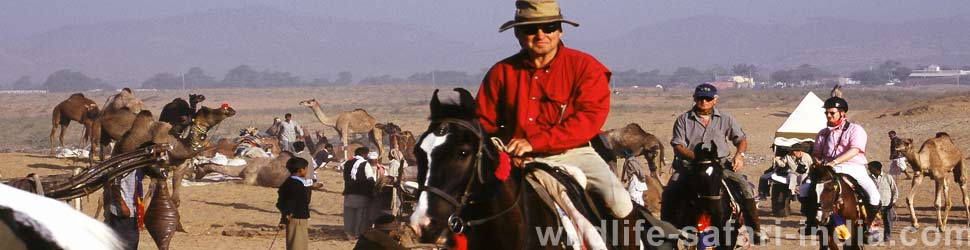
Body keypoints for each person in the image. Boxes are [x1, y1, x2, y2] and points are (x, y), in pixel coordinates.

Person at [476, 0, 632, 219]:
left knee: (620, 203)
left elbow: (587, 120)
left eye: (548, 27)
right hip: (514, 159)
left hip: (573, 153)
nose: (541, 35)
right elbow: (482, 122)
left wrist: (534, 142)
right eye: (530, 29)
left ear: (559, 30)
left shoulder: (585, 67)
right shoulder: (501, 72)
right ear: (518, 34)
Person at [664, 83, 765, 243]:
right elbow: (678, 145)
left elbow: (741, 139)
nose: (704, 101)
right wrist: (695, 157)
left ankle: (755, 230)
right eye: (700, 98)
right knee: (670, 189)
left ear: (715, 100)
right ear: (694, 99)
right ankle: (667, 232)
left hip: (720, 163)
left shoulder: (725, 118)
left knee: (744, 186)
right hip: (691, 164)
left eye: (708, 98)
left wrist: (739, 155)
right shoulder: (683, 119)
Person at [811, 96, 881, 239]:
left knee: (874, 195)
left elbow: (855, 150)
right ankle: (811, 222)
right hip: (828, 168)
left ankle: (869, 225)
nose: (828, 116)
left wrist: (835, 162)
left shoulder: (855, 129)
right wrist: (818, 162)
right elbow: (816, 153)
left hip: (853, 166)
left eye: (832, 113)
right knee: (806, 188)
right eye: (826, 113)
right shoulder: (822, 133)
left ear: (842, 113)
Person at [276, 158, 311, 250]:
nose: (307, 170)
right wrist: (285, 217)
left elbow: (281, 202)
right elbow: (291, 202)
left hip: (294, 218)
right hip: (297, 219)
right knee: (298, 245)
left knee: (295, 243)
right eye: (306, 168)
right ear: (300, 170)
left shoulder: (288, 182)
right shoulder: (296, 184)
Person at [103, 170, 143, 250]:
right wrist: (122, 204)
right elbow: (113, 183)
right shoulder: (122, 163)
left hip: (132, 212)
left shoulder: (136, 163)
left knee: (132, 243)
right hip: (122, 212)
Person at [343, 147, 375, 240]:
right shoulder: (365, 164)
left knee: (349, 215)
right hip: (362, 193)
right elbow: (370, 179)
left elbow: (345, 178)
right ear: (364, 154)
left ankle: (349, 233)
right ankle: (357, 234)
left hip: (349, 192)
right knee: (360, 215)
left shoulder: (347, 163)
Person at [868, 161, 898, 243]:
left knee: (888, 222)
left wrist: (893, 202)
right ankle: (875, 238)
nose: (868, 169)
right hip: (874, 205)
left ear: (875, 169)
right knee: (874, 222)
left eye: (870, 168)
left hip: (887, 205)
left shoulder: (888, 177)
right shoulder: (869, 178)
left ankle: (887, 238)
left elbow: (894, 190)